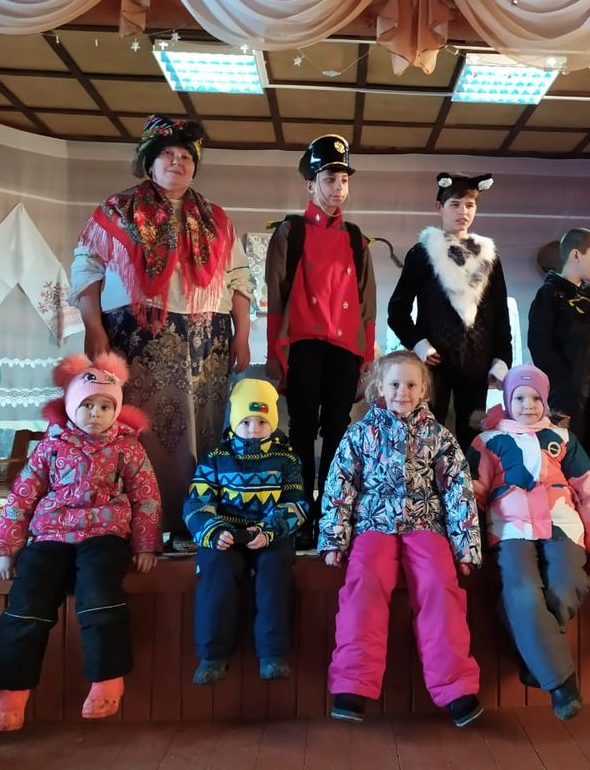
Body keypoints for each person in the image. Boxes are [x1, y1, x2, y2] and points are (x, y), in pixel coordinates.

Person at [69, 114, 253, 551]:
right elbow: (86, 268)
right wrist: (93, 327)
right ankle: (138, 521)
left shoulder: (217, 219)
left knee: (201, 433)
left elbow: (239, 280)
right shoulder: (117, 210)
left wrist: (242, 336)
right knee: (141, 429)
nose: (177, 162)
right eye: (167, 154)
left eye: (186, 156)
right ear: (149, 162)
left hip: (207, 340)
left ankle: (193, 521)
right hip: (136, 337)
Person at [0, 353, 162, 732]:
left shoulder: (128, 447)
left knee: (99, 594)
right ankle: (13, 691)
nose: (96, 413)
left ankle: (107, 680)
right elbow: (22, 497)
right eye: (87, 405)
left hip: (105, 534)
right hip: (50, 533)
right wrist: (7, 549)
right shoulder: (50, 446)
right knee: (27, 600)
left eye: (105, 406)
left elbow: (146, 496)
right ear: (70, 406)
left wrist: (145, 544)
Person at [319, 350, 484, 727]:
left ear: (423, 389)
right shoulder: (360, 433)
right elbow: (340, 485)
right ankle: (352, 684)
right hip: (374, 523)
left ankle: (456, 688)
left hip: (425, 523)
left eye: (411, 385)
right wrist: (334, 538)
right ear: (380, 386)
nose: (402, 392)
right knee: (364, 584)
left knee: (439, 586)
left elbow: (457, 490)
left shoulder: (438, 436)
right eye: (394, 384)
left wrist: (466, 546)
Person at [467, 364, 590, 720]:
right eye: (520, 397)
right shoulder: (488, 440)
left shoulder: (562, 438)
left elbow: (589, 489)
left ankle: (534, 656)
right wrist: (467, 542)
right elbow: (473, 493)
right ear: (507, 399)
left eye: (536, 398)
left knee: (566, 586)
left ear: (546, 401)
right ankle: (562, 684)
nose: (528, 405)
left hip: (562, 523)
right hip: (511, 528)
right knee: (522, 592)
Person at [264, 134, 376, 549]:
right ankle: (297, 515)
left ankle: (330, 513)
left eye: (344, 180)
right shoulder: (289, 232)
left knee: (337, 430)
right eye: (329, 179)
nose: (338, 188)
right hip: (303, 342)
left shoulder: (356, 238)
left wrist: (367, 356)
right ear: (310, 184)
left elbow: (367, 304)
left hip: (345, 348)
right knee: (300, 430)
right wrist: (275, 354)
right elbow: (275, 298)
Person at [183, 378, 308, 685]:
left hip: (268, 533)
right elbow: (197, 502)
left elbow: (296, 504)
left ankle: (272, 654)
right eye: (246, 421)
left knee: (275, 568)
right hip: (226, 532)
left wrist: (270, 530)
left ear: (273, 423)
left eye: (262, 422)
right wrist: (213, 530)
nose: (253, 429)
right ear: (234, 421)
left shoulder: (287, 460)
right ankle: (213, 656)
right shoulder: (216, 458)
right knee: (216, 567)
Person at [388, 172, 512, 451]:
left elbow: (500, 315)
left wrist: (502, 359)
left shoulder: (489, 256)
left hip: (477, 362)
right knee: (428, 434)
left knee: (474, 437)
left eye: (469, 205)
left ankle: (471, 481)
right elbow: (397, 310)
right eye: (455, 204)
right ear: (439, 207)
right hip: (435, 364)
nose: (463, 212)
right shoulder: (422, 253)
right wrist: (419, 344)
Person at [528, 227, 590, 462]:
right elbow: (538, 343)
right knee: (569, 446)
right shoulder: (549, 294)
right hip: (568, 389)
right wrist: (561, 380)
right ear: (576, 255)